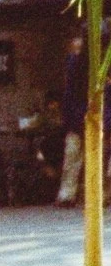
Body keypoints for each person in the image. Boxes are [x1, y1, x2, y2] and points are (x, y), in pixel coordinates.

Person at [59, 32, 88, 205]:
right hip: (78, 120)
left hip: (77, 120)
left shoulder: (74, 67)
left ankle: (67, 194)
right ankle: (67, 194)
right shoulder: (75, 66)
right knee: (72, 158)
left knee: (72, 159)